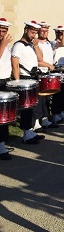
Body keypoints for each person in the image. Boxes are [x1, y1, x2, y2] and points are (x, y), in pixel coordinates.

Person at [11, 20, 46, 144]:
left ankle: (30, 130)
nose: (33, 35)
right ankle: (26, 134)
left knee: (32, 106)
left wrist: (36, 45)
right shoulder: (18, 45)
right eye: (32, 32)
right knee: (26, 108)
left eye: (35, 33)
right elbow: (15, 65)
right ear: (25, 30)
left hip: (32, 78)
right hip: (24, 78)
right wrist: (17, 82)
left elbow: (40, 59)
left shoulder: (32, 45)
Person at [0, 17, 13, 160]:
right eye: (0, 30)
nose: (2, 33)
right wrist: (3, 44)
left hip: (4, 81)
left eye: (4, 31)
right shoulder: (3, 44)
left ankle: (2, 144)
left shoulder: (5, 44)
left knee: (3, 115)